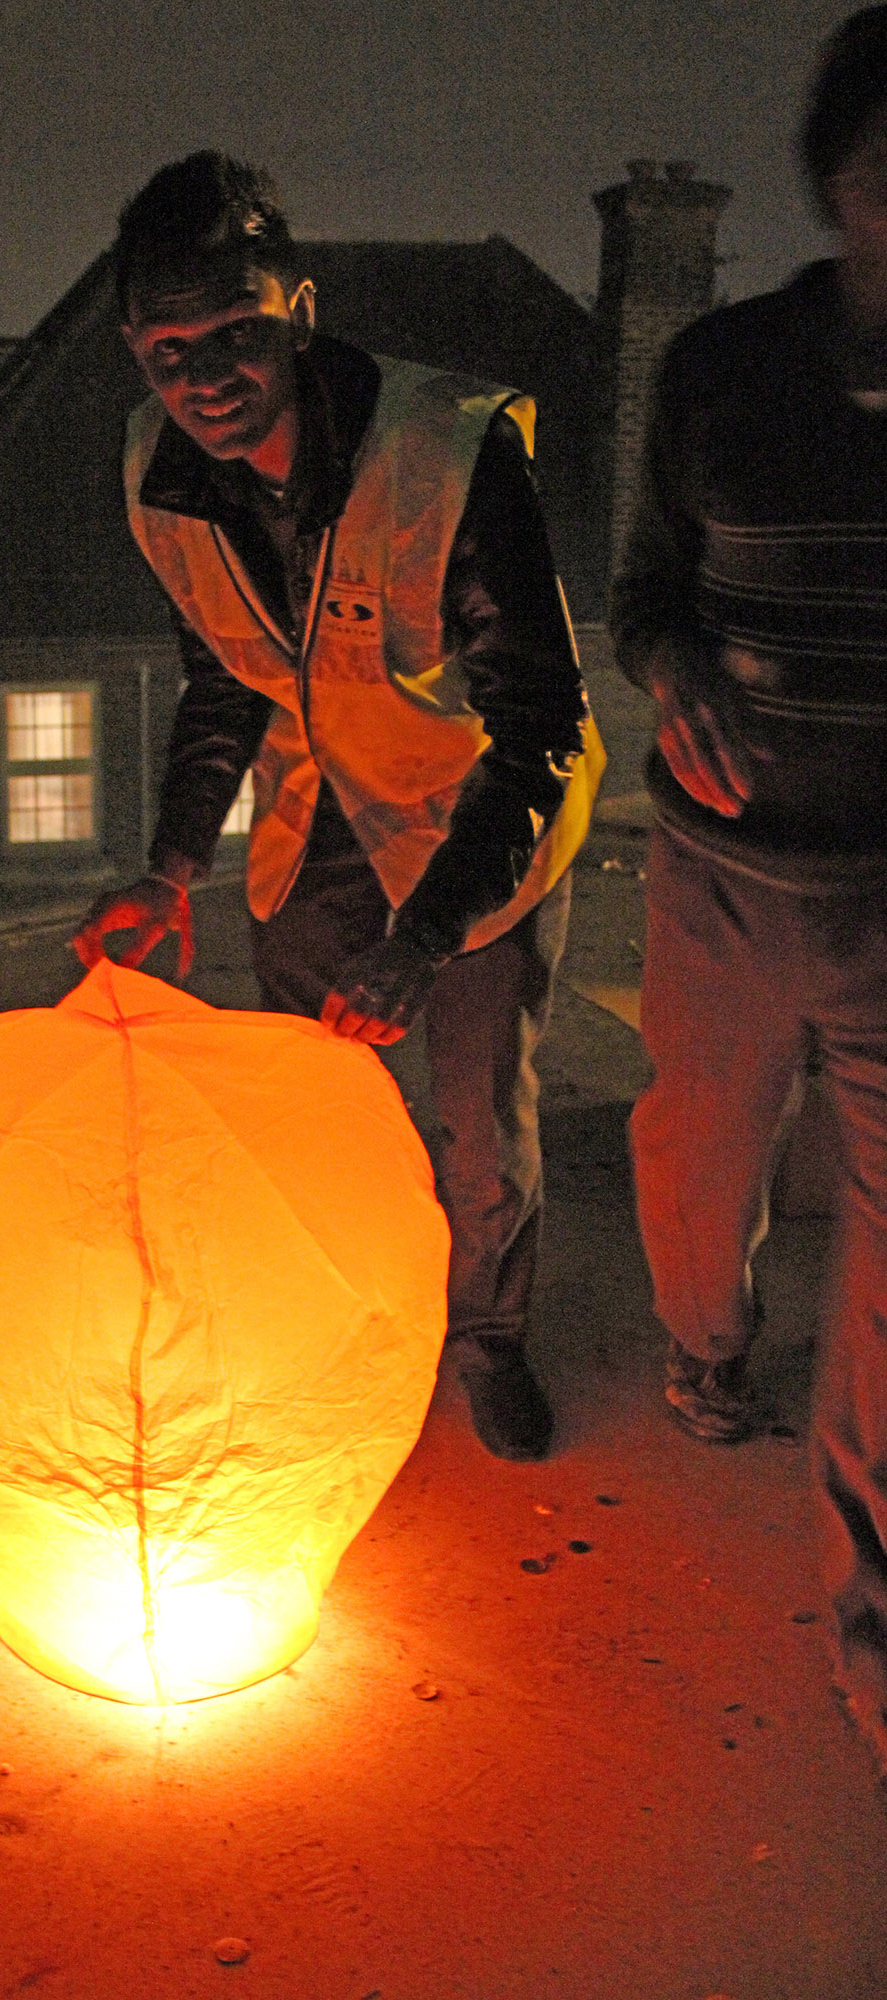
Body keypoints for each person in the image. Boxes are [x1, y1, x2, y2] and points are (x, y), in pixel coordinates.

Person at [74, 152, 605, 1462]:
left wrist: (424, 939)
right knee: (306, 1103)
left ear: (299, 309)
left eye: (235, 333)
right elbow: (223, 672)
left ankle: (484, 1339)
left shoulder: (444, 455)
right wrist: (168, 864)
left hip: (477, 826)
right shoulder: (159, 472)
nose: (201, 377)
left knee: (479, 1124)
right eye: (164, 349)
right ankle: (328, 1311)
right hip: (314, 824)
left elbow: (538, 730)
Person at [611, 9, 887, 1777]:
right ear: (836, 176)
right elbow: (641, 588)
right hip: (716, 884)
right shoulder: (720, 372)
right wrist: (670, 670)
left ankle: (870, 1622)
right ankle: (707, 1347)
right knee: (690, 1166)